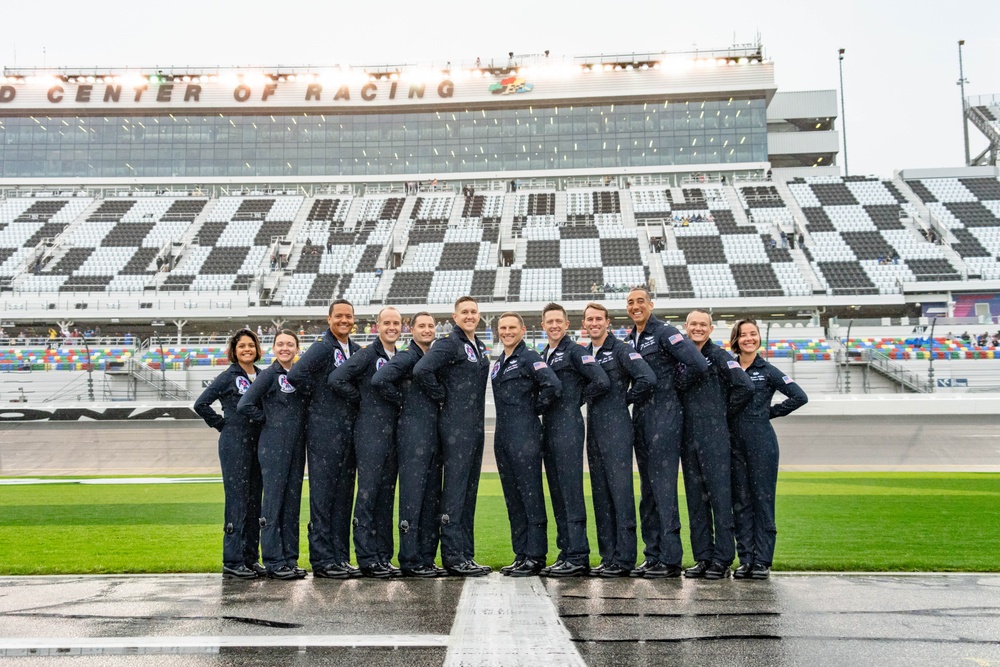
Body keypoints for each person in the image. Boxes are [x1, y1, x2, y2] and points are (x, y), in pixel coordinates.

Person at [625, 288, 708, 578]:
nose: (636, 307)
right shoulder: (631, 338)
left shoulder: (665, 332)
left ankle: (671, 558)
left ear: (651, 304)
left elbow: (698, 364)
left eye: (640, 302)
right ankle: (652, 555)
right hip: (642, 417)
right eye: (631, 303)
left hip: (665, 416)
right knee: (647, 491)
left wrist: (674, 387)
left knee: (663, 488)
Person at [413, 296, 492, 576]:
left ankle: (465, 553)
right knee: (455, 492)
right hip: (455, 427)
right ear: (455, 316)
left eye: (473, 311)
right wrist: (442, 396)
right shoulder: (449, 343)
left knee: (469, 493)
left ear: (478, 315)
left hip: (474, 427)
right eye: (464, 312)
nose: (469, 316)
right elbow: (422, 370)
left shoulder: (478, 346)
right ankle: (452, 556)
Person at [285, 300, 361, 579]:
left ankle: (340, 556)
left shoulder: (353, 349)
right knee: (323, 497)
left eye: (348, 316)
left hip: (348, 431)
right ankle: (322, 558)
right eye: (338, 316)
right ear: (329, 318)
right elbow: (295, 375)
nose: (344, 320)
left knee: (343, 497)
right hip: (324, 431)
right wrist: (320, 397)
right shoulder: (322, 347)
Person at [677, 310, 753, 580]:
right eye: (693, 324)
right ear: (686, 327)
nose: (698, 328)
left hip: (715, 437)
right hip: (688, 438)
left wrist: (721, 413)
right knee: (696, 501)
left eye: (703, 325)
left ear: (710, 329)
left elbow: (745, 387)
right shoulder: (682, 358)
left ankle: (722, 558)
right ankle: (703, 557)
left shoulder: (720, 357)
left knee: (720, 501)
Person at [730, 319, 808, 580]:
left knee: (762, 500)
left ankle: (762, 560)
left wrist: (769, 413)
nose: (749, 339)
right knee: (741, 502)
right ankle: (746, 559)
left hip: (761, 442)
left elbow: (799, 396)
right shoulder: (728, 368)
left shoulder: (768, 370)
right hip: (733, 443)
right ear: (736, 340)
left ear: (759, 339)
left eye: (753, 334)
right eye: (743, 335)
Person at [582, 303, 656, 577]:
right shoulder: (586, 352)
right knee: (601, 495)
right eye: (589, 319)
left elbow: (647, 378)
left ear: (607, 322)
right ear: (584, 324)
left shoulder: (622, 349)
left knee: (621, 495)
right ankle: (608, 556)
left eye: (598, 319)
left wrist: (623, 400)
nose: (594, 323)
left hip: (617, 429)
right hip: (595, 430)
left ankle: (625, 558)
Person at [329, 307, 403, 578]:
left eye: (396, 323)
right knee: (368, 496)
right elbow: (336, 379)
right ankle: (366, 557)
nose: (391, 327)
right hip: (370, 434)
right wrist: (362, 398)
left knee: (385, 497)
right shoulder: (367, 354)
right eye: (387, 323)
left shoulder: (399, 355)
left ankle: (383, 555)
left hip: (392, 435)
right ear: (377, 326)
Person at [371, 312, 444, 578]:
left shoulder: (433, 357)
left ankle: (426, 557)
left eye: (430, 325)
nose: (427, 330)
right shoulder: (407, 356)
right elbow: (379, 380)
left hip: (433, 436)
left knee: (430, 498)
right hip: (413, 436)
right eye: (421, 326)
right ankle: (410, 558)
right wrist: (403, 401)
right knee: (413, 499)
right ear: (411, 329)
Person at [539, 302, 610, 577]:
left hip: (568, 425)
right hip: (550, 427)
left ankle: (579, 555)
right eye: (549, 321)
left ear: (567, 325)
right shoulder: (545, 353)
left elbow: (601, 381)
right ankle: (565, 551)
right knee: (557, 492)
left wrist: (575, 400)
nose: (554, 325)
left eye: (559, 321)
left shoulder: (575, 351)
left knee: (570, 491)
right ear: (543, 325)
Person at [491, 311, 561, 577]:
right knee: (514, 498)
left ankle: (535, 555)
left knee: (531, 496)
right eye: (503, 327)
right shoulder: (500, 361)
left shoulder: (529, 356)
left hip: (525, 436)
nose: (507, 332)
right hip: (504, 436)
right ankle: (521, 553)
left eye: (512, 327)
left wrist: (533, 410)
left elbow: (552, 386)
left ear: (522, 330)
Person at [194, 328, 265, 579]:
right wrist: (223, 425)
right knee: (237, 501)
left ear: (257, 349)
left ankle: (250, 558)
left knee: (255, 501)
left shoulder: (262, 376)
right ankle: (232, 560)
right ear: (234, 351)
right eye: (241, 346)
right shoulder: (228, 377)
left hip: (260, 445)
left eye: (251, 345)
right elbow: (201, 404)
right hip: (235, 444)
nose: (247, 349)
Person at [237, 330, 307, 580]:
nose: (285, 348)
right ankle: (274, 561)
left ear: (297, 348)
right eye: (280, 344)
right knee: (273, 504)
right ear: (274, 348)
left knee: (291, 505)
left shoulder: (299, 375)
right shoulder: (268, 375)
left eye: (290, 344)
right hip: (273, 447)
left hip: (297, 448)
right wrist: (268, 421)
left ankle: (290, 558)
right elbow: (245, 404)